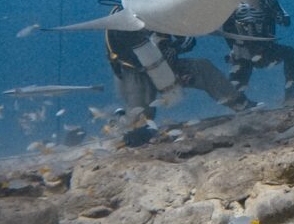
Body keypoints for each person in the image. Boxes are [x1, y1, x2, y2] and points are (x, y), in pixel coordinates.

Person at [105, 11, 254, 145]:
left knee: (203, 67)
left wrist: (177, 47)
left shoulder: (166, 9)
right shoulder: (119, 17)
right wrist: (151, 60)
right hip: (135, 73)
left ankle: (239, 103)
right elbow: (115, 55)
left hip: (167, 63)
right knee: (137, 125)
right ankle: (119, 120)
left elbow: (187, 40)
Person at [222, 0, 294, 106]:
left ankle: (289, 96)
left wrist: (271, 9)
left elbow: (285, 21)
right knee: (235, 87)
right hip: (243, 52)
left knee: (289, 52)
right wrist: (235, 50)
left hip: (267, 49)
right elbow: (226, 29)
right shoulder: (230, 3)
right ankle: (240, 104)